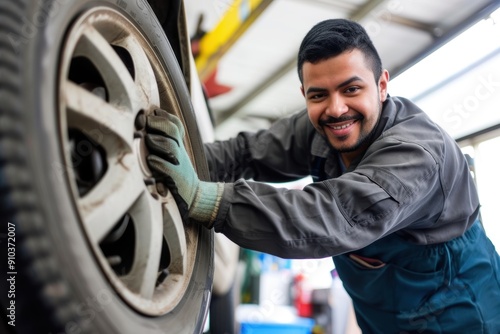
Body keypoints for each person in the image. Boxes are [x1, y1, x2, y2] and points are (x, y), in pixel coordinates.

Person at [145, 19, 500, 332]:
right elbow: (244, 153)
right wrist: (169, 155)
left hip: (460, 315)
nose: (335, 108)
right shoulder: (320, 126)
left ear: (381, 85)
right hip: (382, 315)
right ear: (305, 95)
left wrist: (205, 198)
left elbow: (331, 215)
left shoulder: (417, 155)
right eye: (319, 95)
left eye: (351, 89)